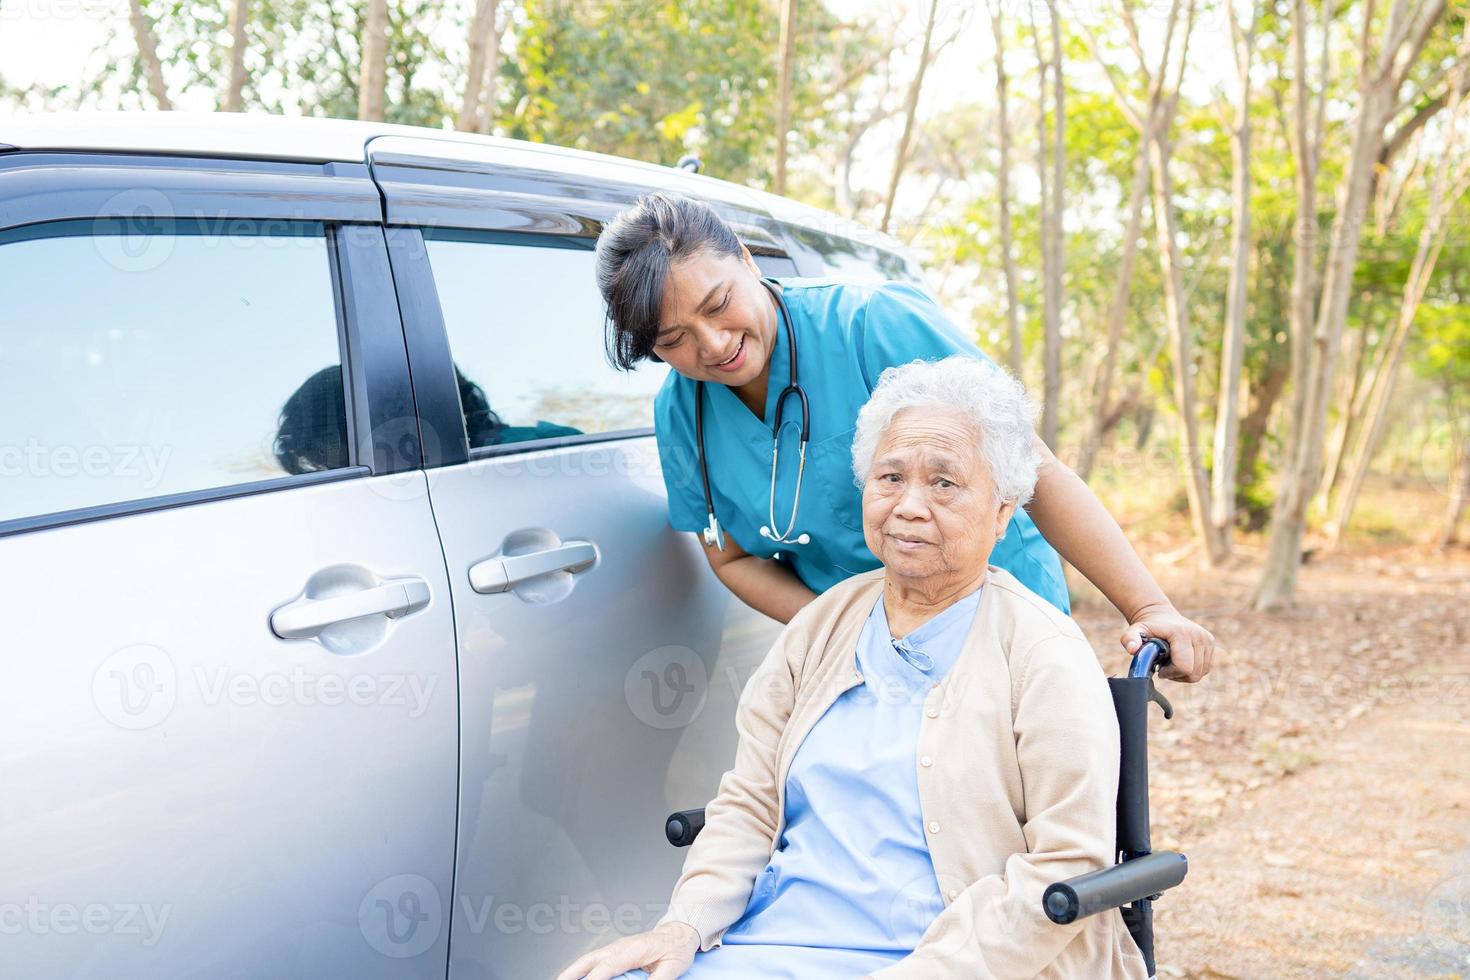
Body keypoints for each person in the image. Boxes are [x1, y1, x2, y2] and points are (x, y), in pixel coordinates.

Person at [556, 357, 1150, 980]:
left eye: (945, 483)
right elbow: (751, 803)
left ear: (1003, 511)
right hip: (775, 946)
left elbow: (1064, 868)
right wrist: (685, 924)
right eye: (890, 477)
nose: (910, 506)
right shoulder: (823, 625)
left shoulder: (1043, 652)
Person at [593, 192, 1213, 683]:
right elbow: (728, 555)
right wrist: (847, 630)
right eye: (673, 341)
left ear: (750, 263)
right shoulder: (683, 412)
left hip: (996, 612)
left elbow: (1036, 471)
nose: (713, 344)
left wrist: (1147, 608)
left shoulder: (874, 324)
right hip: (871, 652)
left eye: (719, 303)